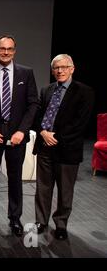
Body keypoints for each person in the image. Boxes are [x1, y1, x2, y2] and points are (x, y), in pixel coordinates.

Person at [0, 35, 39, 236]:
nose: (6, 52)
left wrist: (22, 130)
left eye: (10, 49)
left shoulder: (26, 73)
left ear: (15, 50)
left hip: (17, 135)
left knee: (15, 178)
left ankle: (15, 218)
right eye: (2, 48)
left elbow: (33, 104)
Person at [33, 54, 94, 240]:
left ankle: (60, 224)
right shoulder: (46, 90)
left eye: (64, 67)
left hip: (67, 149)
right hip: (44, 147)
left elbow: (80, 123)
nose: (60, 71)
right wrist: (43, 132)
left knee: (65, 190)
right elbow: (37, 115)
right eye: (56, 68)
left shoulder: (85, 91)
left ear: (72, 69)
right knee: (43, 188)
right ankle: (41, 221)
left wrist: (56, 137)